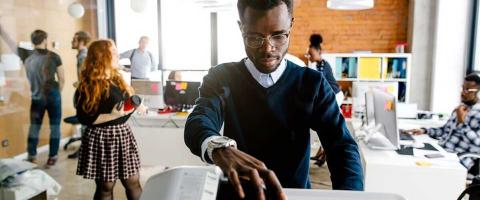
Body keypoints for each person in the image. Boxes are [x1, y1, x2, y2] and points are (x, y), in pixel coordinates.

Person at [184, 0, 363, 199]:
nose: (268, 48)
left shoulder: (312, 83)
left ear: (290, 25)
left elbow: (342, 147)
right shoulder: (222, 78)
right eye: (254, 37)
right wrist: (219, 148)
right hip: (239, 194)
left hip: (294, 195)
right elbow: (199, 121)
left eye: (278, 35)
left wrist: (351, 196)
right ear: (241, 28)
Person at [75, 40, 145, 200]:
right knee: (106, 186)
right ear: (100, 56)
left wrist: (137, 105)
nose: (116, 54)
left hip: (122, 134)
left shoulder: (117, 79)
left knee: (133, 181)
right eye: (112, 52)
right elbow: (84, 118)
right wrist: (113, 115)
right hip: (101, 138)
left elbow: (124, 106)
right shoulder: (87, 85)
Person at [407, 73, 480, 174]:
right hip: (442, 151)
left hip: (458, 158)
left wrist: (461, 122)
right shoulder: (460, 108)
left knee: (419, 170)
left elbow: (478, 142)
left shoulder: (478, 113)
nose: (462, 93)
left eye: (467, 90)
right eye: (462, 88)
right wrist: (424, 130)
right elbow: (444, 130)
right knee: (409, 157)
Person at [25, 29, 65, 166]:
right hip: (53, 94)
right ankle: (52, 157)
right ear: (45, 40)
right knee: (55, 126)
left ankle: (32, 156)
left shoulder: (28, 58)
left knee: (34, 127)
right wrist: (58, 93)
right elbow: (62, 79)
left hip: (36, 96)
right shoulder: (54, 56)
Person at [306, 33, 344, 167]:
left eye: (311, 54)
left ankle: (325, 154)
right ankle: (322, 153)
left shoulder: (322, 65)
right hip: (334, 94)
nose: (310, 57)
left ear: (318, 51)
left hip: (336, 95)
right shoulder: (320, 64)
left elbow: (319, 83)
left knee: (328, 123)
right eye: (308, 55)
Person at [68, 31, 91, 159]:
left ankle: (85, 152)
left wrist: (79, 84)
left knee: (85, 123)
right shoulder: (82, 55)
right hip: (85, 94)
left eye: (74, 40)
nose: (72, 42)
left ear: (81, 41)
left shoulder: (83, 56)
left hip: (86, 95)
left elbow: (87, 78)